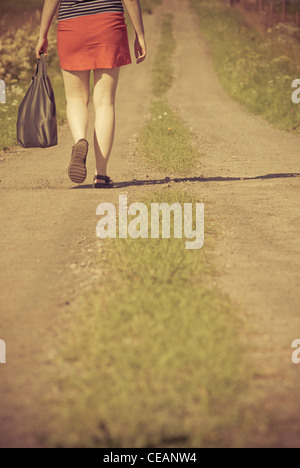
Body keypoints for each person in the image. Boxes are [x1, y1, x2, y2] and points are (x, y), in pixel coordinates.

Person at [35, 0, 146, 188]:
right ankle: (101, 176)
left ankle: (80, 140)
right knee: (105, 102)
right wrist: (140, 34)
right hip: (108, 24)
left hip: (72, 25)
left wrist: (42, 35)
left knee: (75, 98)